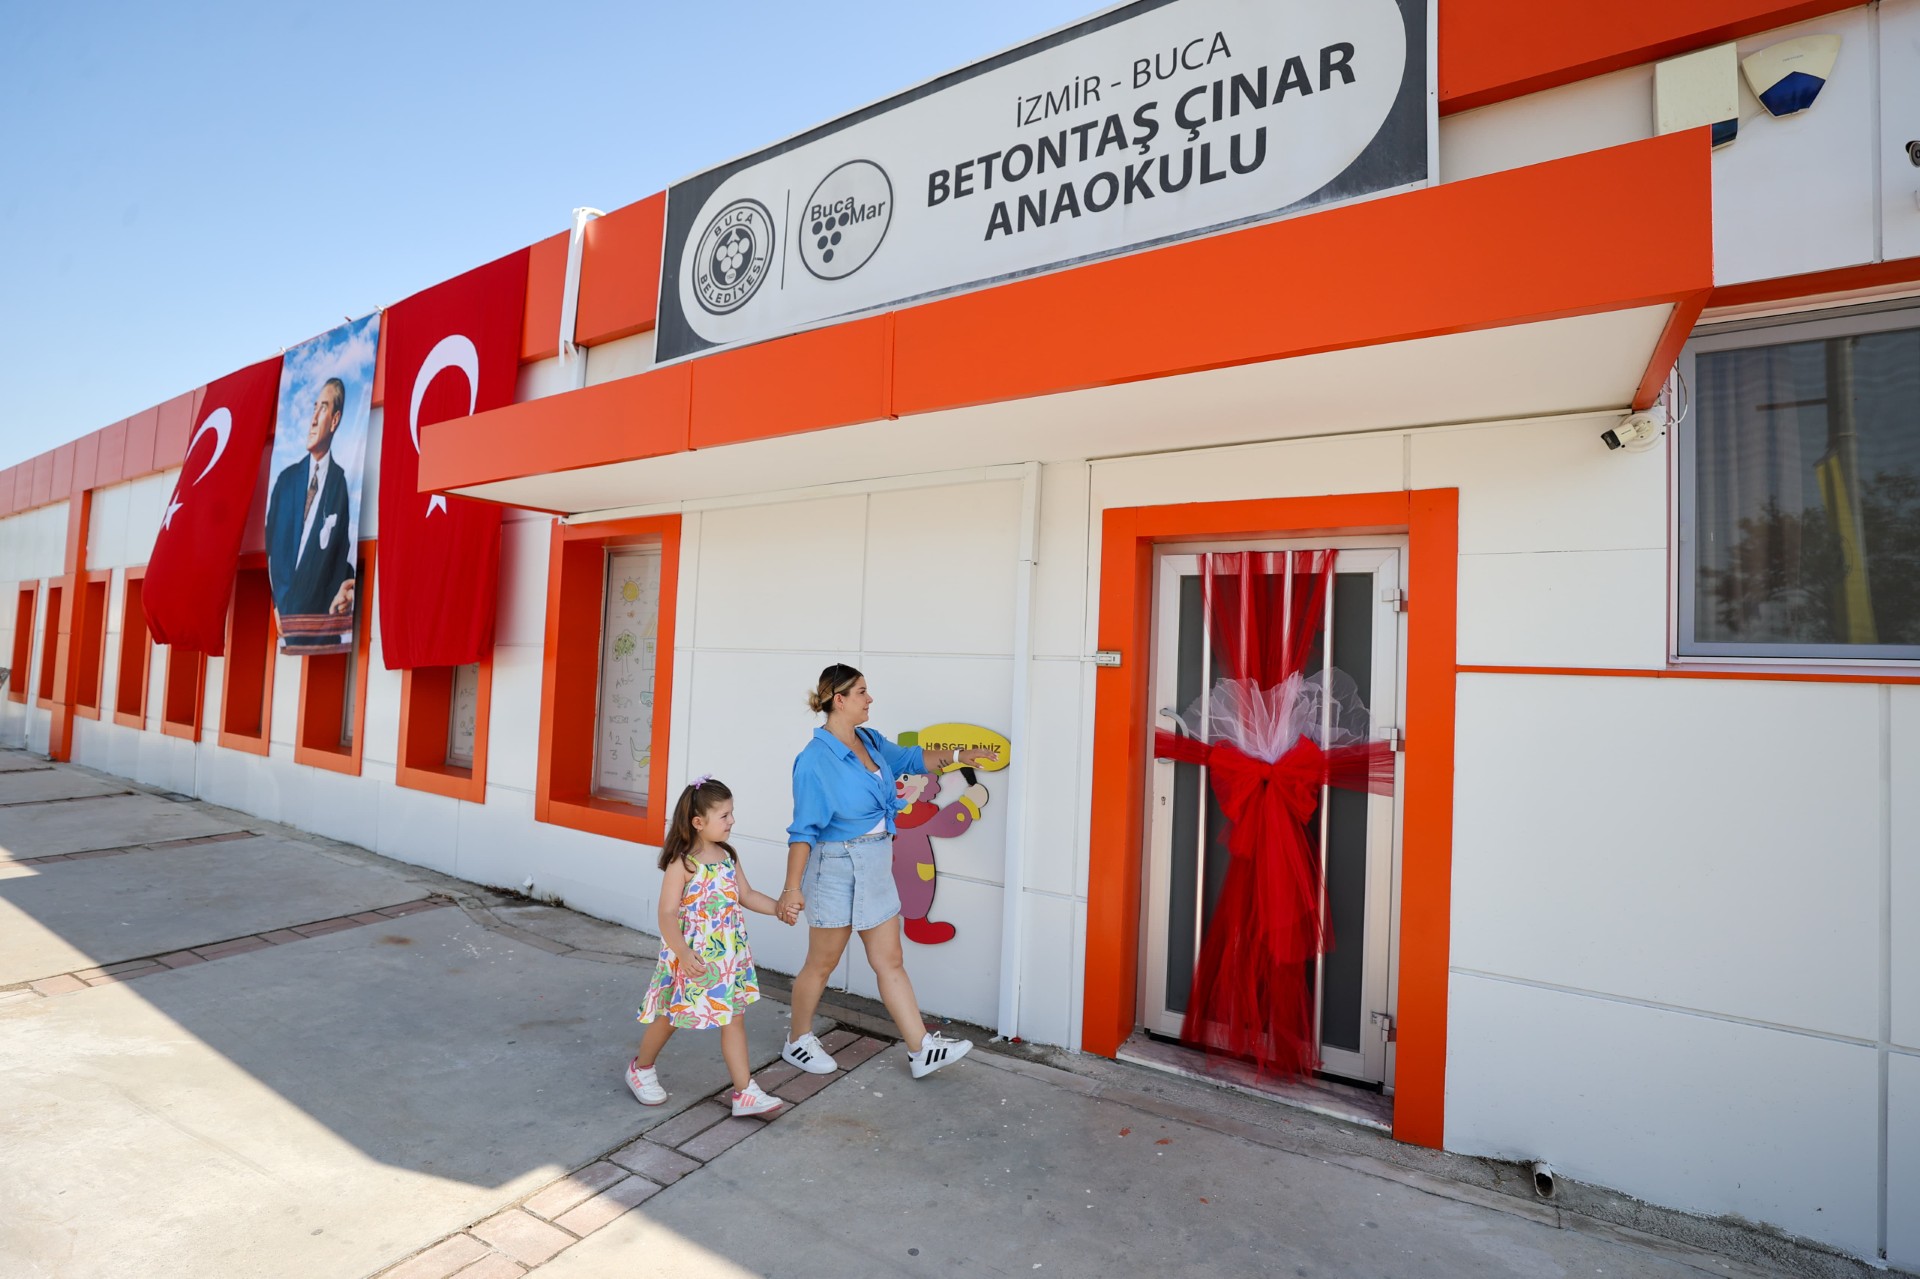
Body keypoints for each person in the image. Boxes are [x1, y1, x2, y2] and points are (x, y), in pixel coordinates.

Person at [777, 663, 997, 1079]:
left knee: (890, 960)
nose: (870, 698)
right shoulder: (814, 760)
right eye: (862, 691)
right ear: (839, 700)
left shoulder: (870, 740)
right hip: (836, 866)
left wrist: (960, 757)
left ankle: (921, 1049)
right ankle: (798, 1040)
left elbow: (913, 758)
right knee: (822, 964)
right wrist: (792, 888)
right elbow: (803, 830)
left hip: (877, 862)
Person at [626, 777, 786, 1118]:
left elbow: (746, 895)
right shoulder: (683, 863)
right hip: (693, 956)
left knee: (734, 1017)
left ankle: (745, 1092)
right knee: (672, 1016)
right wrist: (683, 953)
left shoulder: (728, 856)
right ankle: (641, 1069)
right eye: (724, 815)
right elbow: (666, 914)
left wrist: (778, 909)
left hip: (727, 958)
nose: (732, 821)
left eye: (732, 813)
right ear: (698, 822)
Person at [265, 376, 356, 621]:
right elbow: (271, 549)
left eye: (323, 409)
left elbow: (340, 555)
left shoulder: (340, 484)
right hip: (283, 619)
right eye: (314, 408)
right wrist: (276, 606)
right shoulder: (286, 481)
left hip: (315, 623)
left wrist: (348, 588)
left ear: (335, 420)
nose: (313, 419)